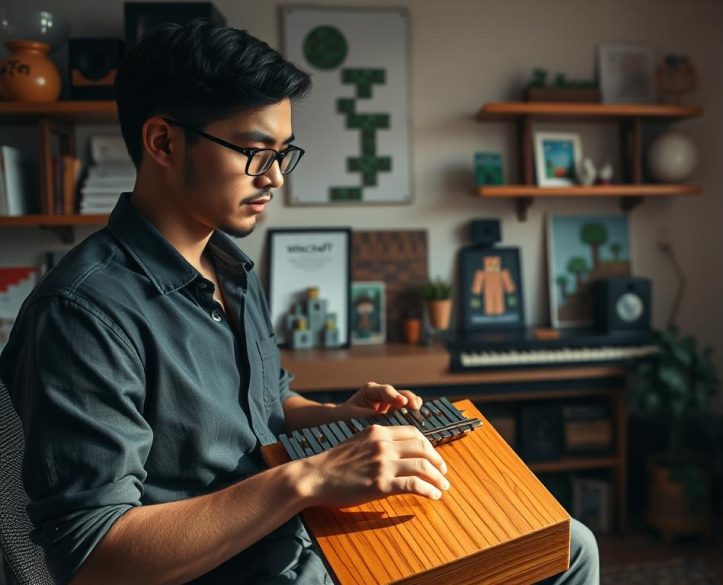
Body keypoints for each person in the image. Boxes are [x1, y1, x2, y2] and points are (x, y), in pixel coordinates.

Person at [0, 20, 598, 585]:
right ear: (162, 141)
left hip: (303, 538)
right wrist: (311, 476)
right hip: (254, 566)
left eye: (284, 154)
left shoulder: (229, 265)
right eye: (256, 153)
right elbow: (93, 558)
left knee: (565, 541)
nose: (276, 179)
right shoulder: (84, 313)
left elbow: (266, 408)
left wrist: (342, 418)